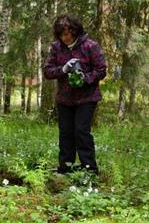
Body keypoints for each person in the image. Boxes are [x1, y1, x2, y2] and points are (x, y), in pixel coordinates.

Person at [44, 15, 107, 175]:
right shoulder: (56, 47)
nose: (65, 38)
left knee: (81, 131)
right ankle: (66, 168)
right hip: (64, 98)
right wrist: (63, 69)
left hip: (87, 98)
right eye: (61, 35)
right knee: (65, 133)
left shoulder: (90, 46)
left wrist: (85, 78)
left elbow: (101, 70)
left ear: (75, 31)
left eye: (67, 34)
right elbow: (47, 71)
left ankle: (89, 169)